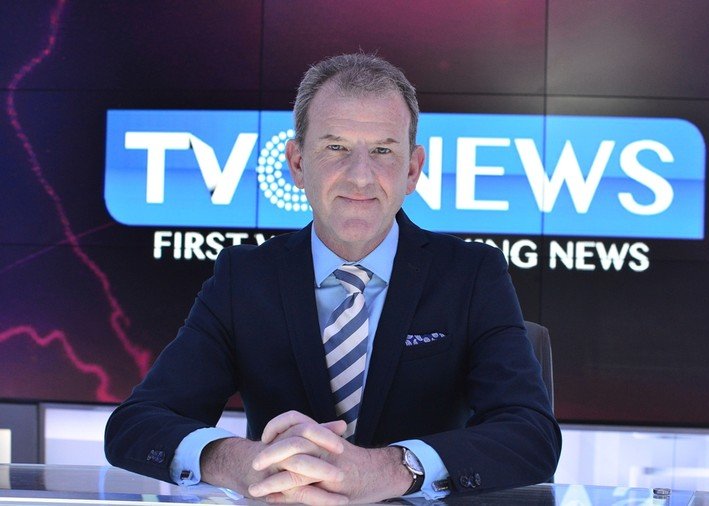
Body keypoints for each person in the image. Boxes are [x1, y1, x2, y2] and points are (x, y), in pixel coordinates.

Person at [105, 53, 561, 505]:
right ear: (297, 164)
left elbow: (531, 435)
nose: (361, 177)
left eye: (383, 150)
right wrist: (241, 462)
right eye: (336, 147)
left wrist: (393, 468)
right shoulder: (244, 279)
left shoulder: (472, 274)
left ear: (412, 169)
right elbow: (136, 424)